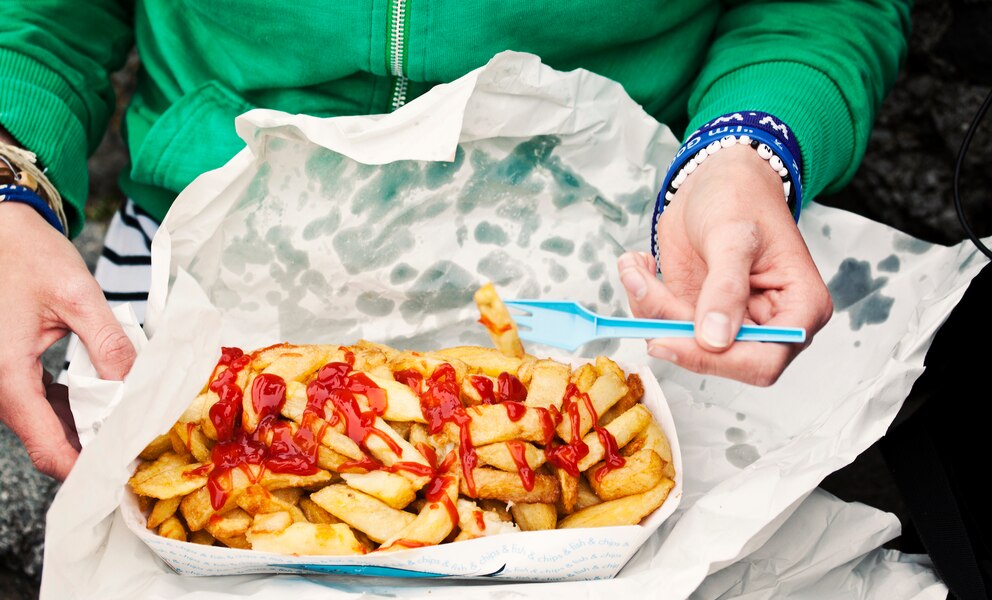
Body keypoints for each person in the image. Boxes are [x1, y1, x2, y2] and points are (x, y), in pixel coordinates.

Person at [0, 1, 910, 480]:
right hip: (203, 245)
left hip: (634, 278)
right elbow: (37, 17)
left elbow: (817, 6)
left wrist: (747, 149)